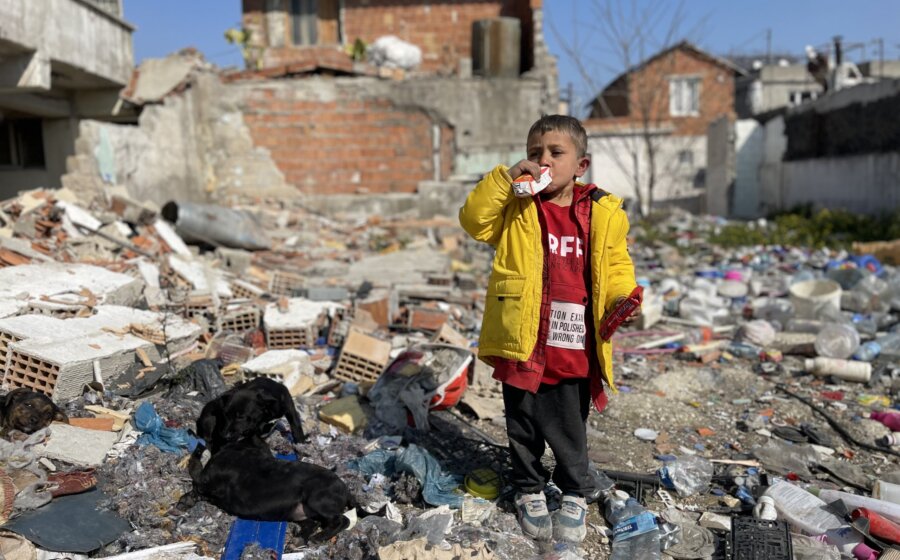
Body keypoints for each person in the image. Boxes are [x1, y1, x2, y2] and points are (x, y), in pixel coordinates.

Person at [458, 115, 639, 543]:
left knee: (568, 422)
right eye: (536, 152)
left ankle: (575, 490)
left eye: (556, 153)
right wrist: (504, 180)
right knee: (522, 421)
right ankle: (528, 488)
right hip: (522, 336)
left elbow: (615, 264)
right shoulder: (517, 207)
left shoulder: (602, 211)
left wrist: (622, 296)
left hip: (573, 340)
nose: (544, 161)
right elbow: (473, 221)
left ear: (581, 165)